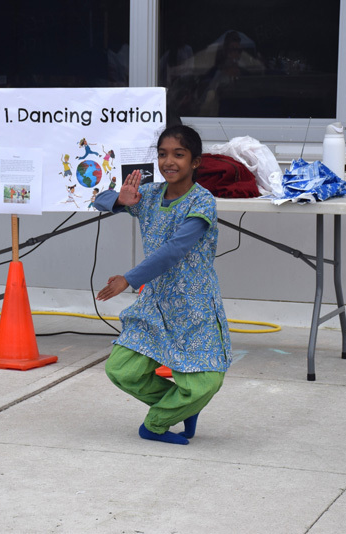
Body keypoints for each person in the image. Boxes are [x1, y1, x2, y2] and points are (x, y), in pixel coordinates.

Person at [94, 125, 232, 445]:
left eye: (178, 155)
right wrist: (117, 198)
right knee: (121, 369)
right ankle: (178, 407)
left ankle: (157, 423)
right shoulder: (151, 194)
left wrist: (128, 279)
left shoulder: (202, 202)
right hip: (155, 304)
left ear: (195, 162)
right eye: (162, 154)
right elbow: (98, 199)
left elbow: (174, 250)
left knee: (206, 382)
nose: (169, 161)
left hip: (194, 305)